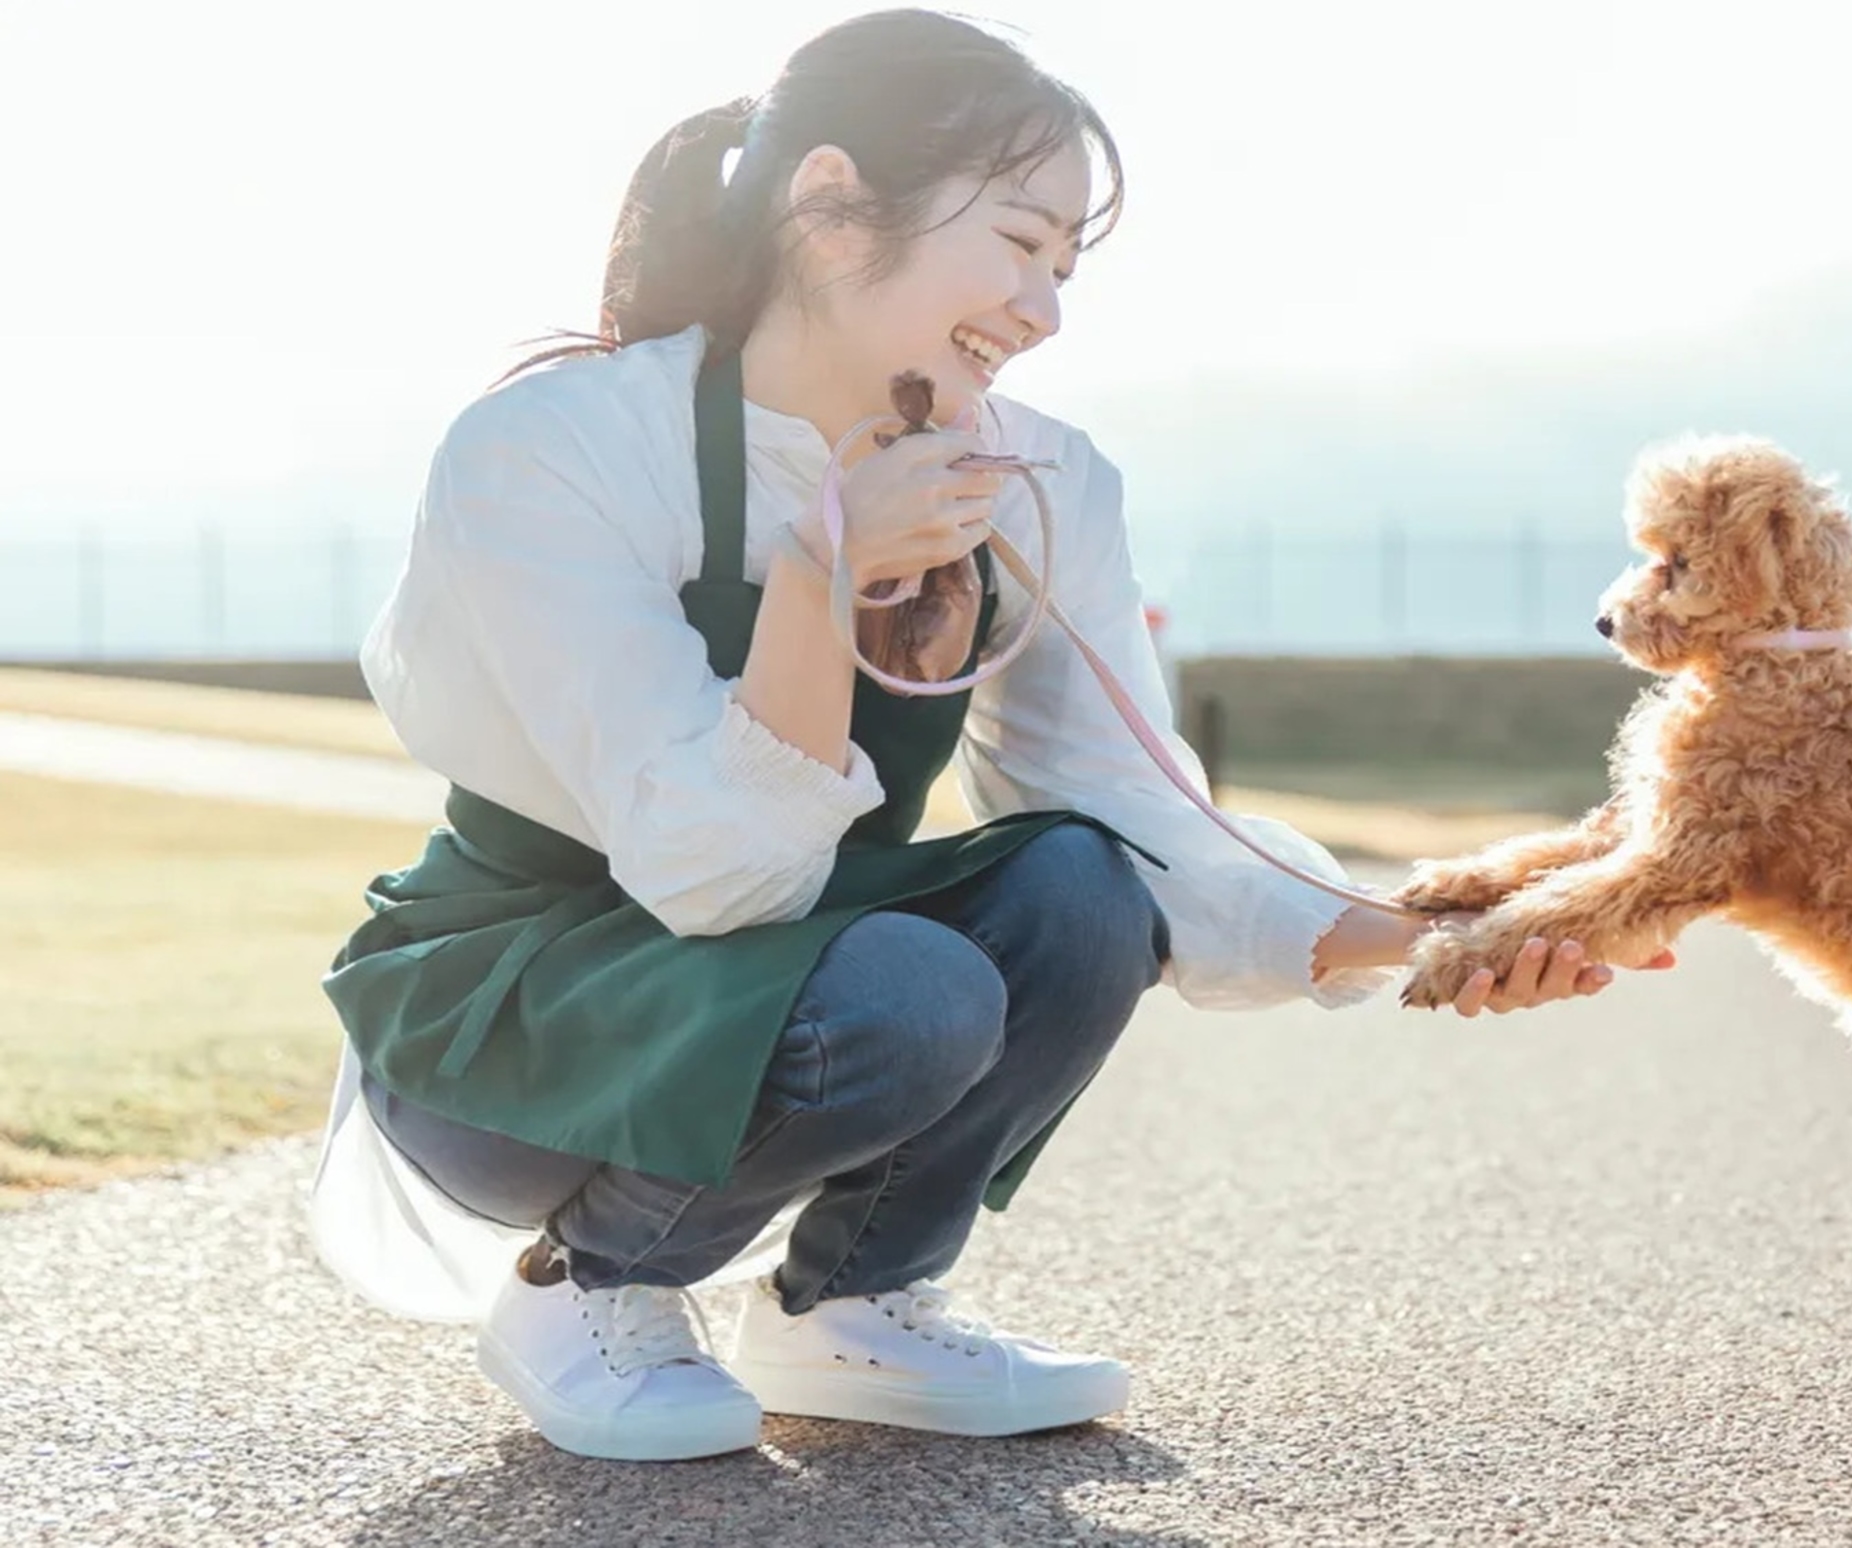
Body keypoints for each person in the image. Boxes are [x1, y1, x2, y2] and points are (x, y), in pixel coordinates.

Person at [309, 8, 1668, 1465]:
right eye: (1021, 243)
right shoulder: (558, 448)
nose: (1046, 310)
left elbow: (1149, 827)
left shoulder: (1037, 485)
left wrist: (1440, 929)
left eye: (1067, 267)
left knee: (1078, 888)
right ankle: (591, 1284)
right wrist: (828, 571)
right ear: (831, 210)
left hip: (793, 966)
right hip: (517, 1020)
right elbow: (708, 873)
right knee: (910, 986)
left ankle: (854, 1303)